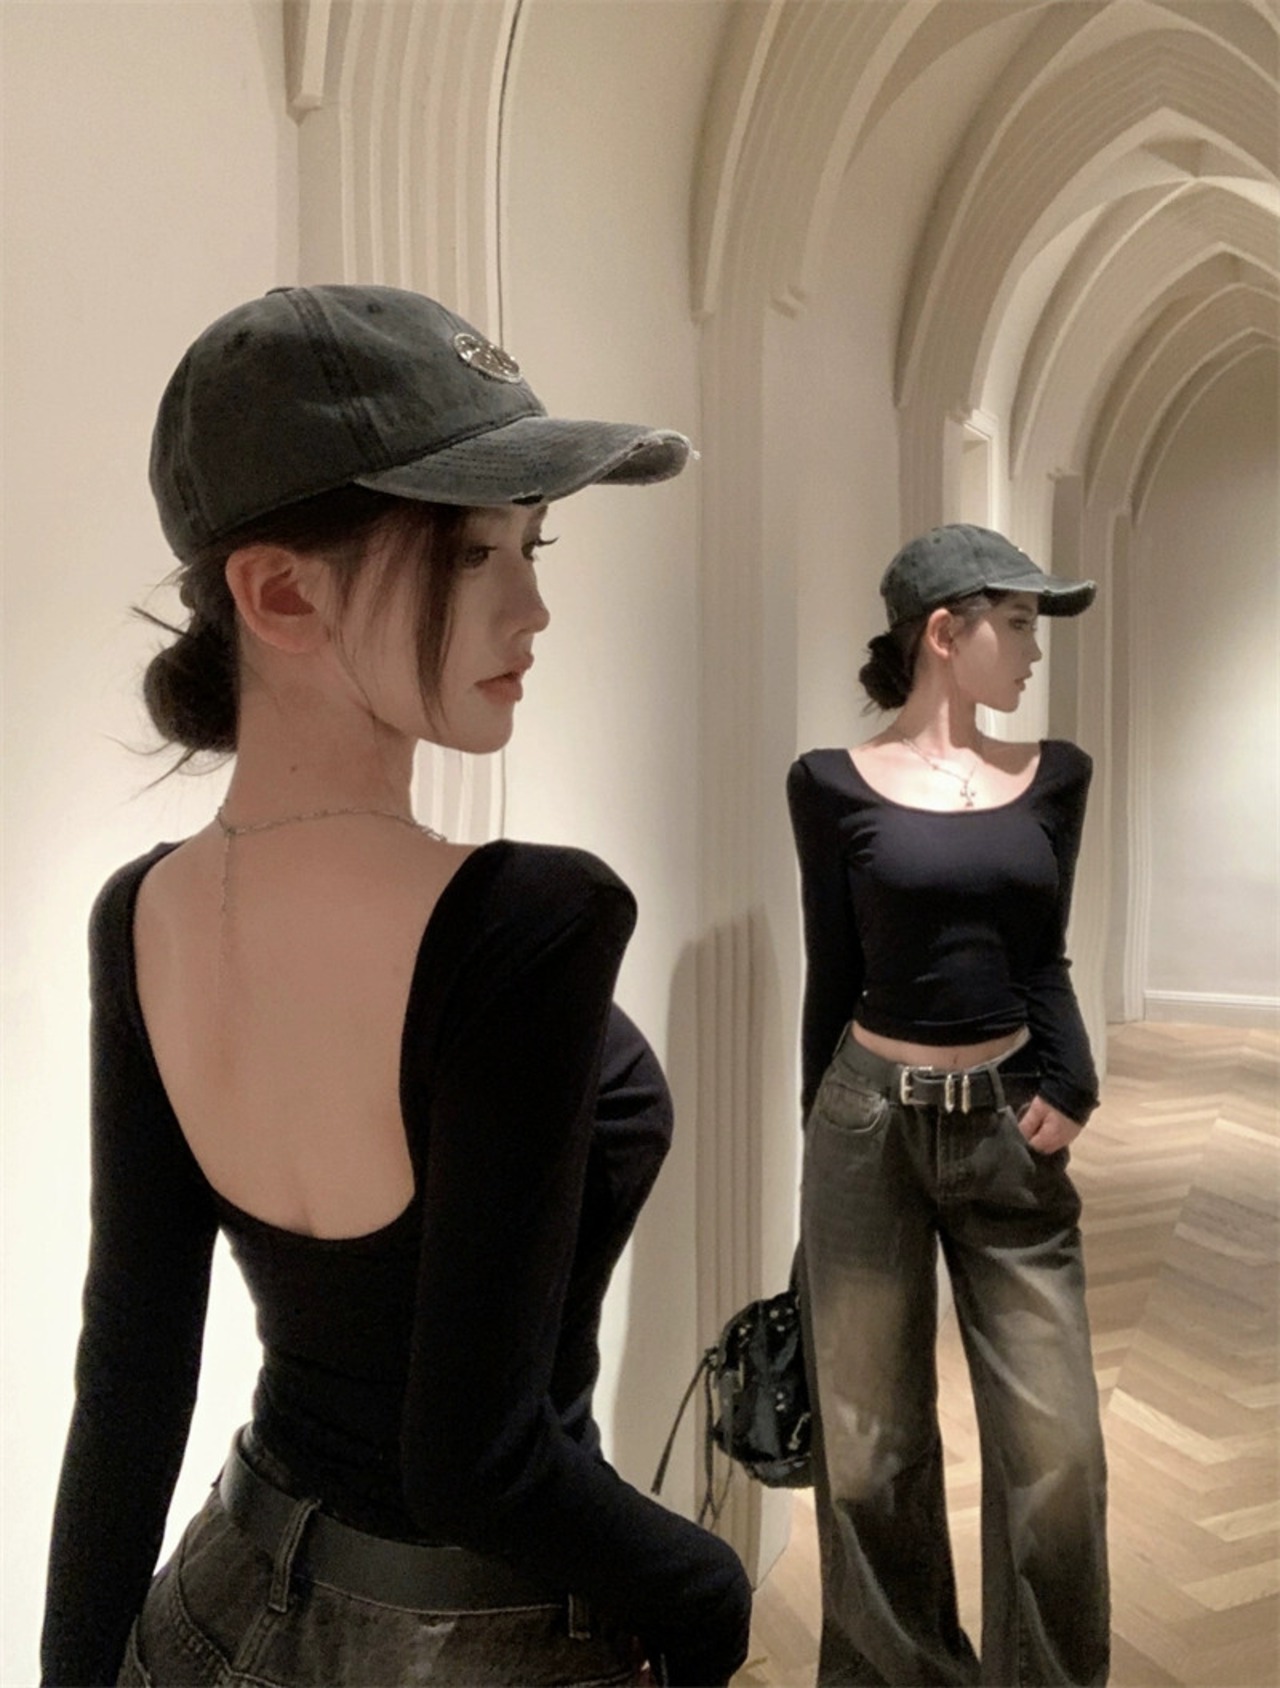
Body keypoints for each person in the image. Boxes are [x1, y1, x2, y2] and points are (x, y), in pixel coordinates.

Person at [41, 284, 751, 1688]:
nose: (533, 607)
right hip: (480, 1634)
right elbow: (477, 1459)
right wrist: (705, 1582)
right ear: (281, 593)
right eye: (473, 553)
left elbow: (129, 1380)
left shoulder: (144, 911)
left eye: (533, 545)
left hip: (218, 1603)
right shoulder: (530, 919)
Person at [787, 523, 1109, 1686]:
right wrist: (816, 1142)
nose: (1031, 648)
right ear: (941, 631)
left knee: (1057, 1455)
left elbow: (1042, 952)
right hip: (864, 1123)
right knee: (868, 1453)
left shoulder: (1054, 773)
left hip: (1006, 1120)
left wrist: (1070, 1079)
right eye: (1015, 622)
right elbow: (831, 970)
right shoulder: (826, 783)